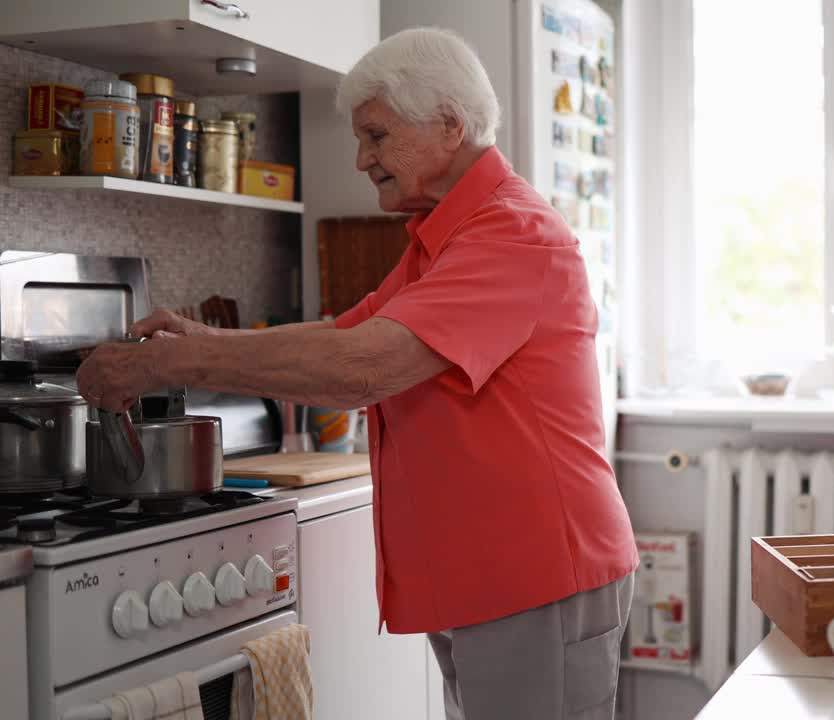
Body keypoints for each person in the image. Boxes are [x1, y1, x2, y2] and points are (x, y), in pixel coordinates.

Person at [77, 27, 638, 720]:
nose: (361, 157)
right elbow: (345, 333)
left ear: (450, 124)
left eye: (376, 134)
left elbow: (363, 368)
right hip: (492, 573)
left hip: (536, 572)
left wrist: (172, 361)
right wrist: (205, 337)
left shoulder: (511, 234)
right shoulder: (447, 237)